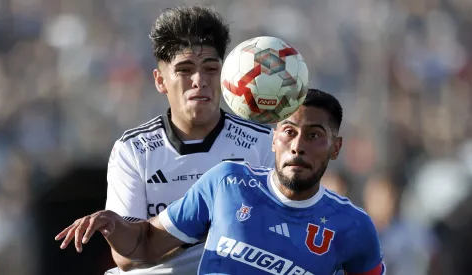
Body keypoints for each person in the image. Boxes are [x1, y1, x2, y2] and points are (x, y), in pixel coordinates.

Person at [56, 89, 386, 275]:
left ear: (336, 148)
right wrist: (114, 225)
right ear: (273, 140)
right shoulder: (228, 182)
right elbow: (145, 244)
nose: (298, 145)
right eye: (289, 132)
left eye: (314, 135)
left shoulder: (353, 226)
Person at [103, 5, 276, 274]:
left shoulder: (262, 141)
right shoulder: (133, 150)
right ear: (161, 81)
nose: (199, 80)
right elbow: (127, 256)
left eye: (210, 68)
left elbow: (278, 236)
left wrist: (160, 234)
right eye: (185, 70)